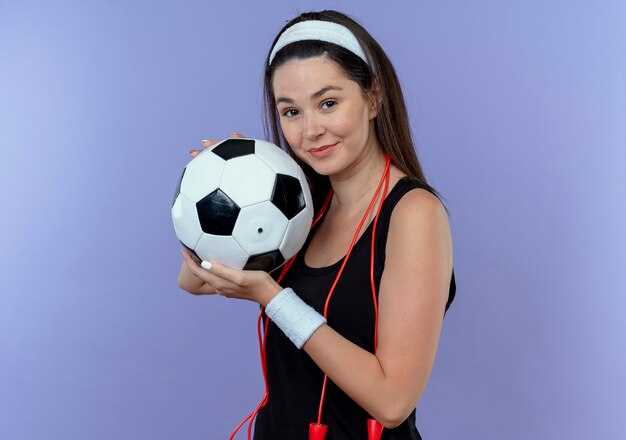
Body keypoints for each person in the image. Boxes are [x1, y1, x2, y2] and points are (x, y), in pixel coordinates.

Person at [178, 10, 456, 440]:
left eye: (328, 103)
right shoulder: (302, 205)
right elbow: (195, 280)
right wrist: (223, 187)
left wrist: (273, 298)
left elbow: (393, 402)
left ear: (373, 98)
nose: (311, 130)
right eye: (291, 111)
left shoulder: (413, 213)